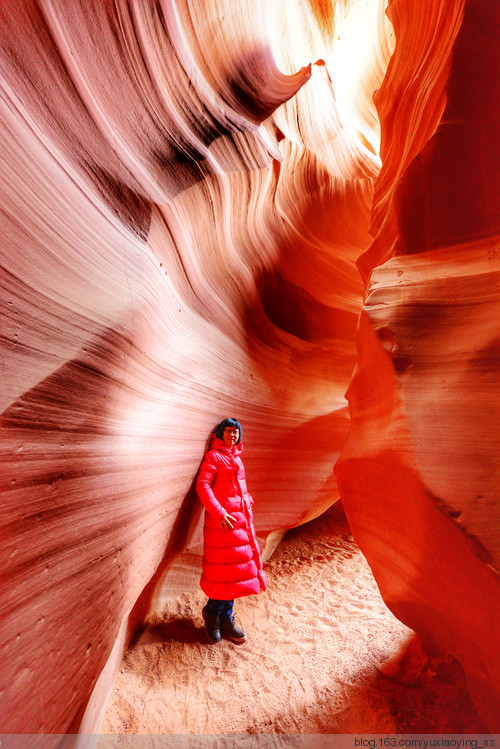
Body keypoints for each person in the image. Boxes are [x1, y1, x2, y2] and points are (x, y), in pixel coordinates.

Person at [196, 417, 267, 643]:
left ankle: (225, 618)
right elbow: (202, 485)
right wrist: (219, 512)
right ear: (220, 433)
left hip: (240, 523)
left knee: (235, 575)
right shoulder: (214, 457)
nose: (232, 435)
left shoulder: (236, 457)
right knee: (224, 574)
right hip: (223, 524)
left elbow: (237, 488)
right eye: (228, 431)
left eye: (235, 432)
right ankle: (212, 613)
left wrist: (247, 502)